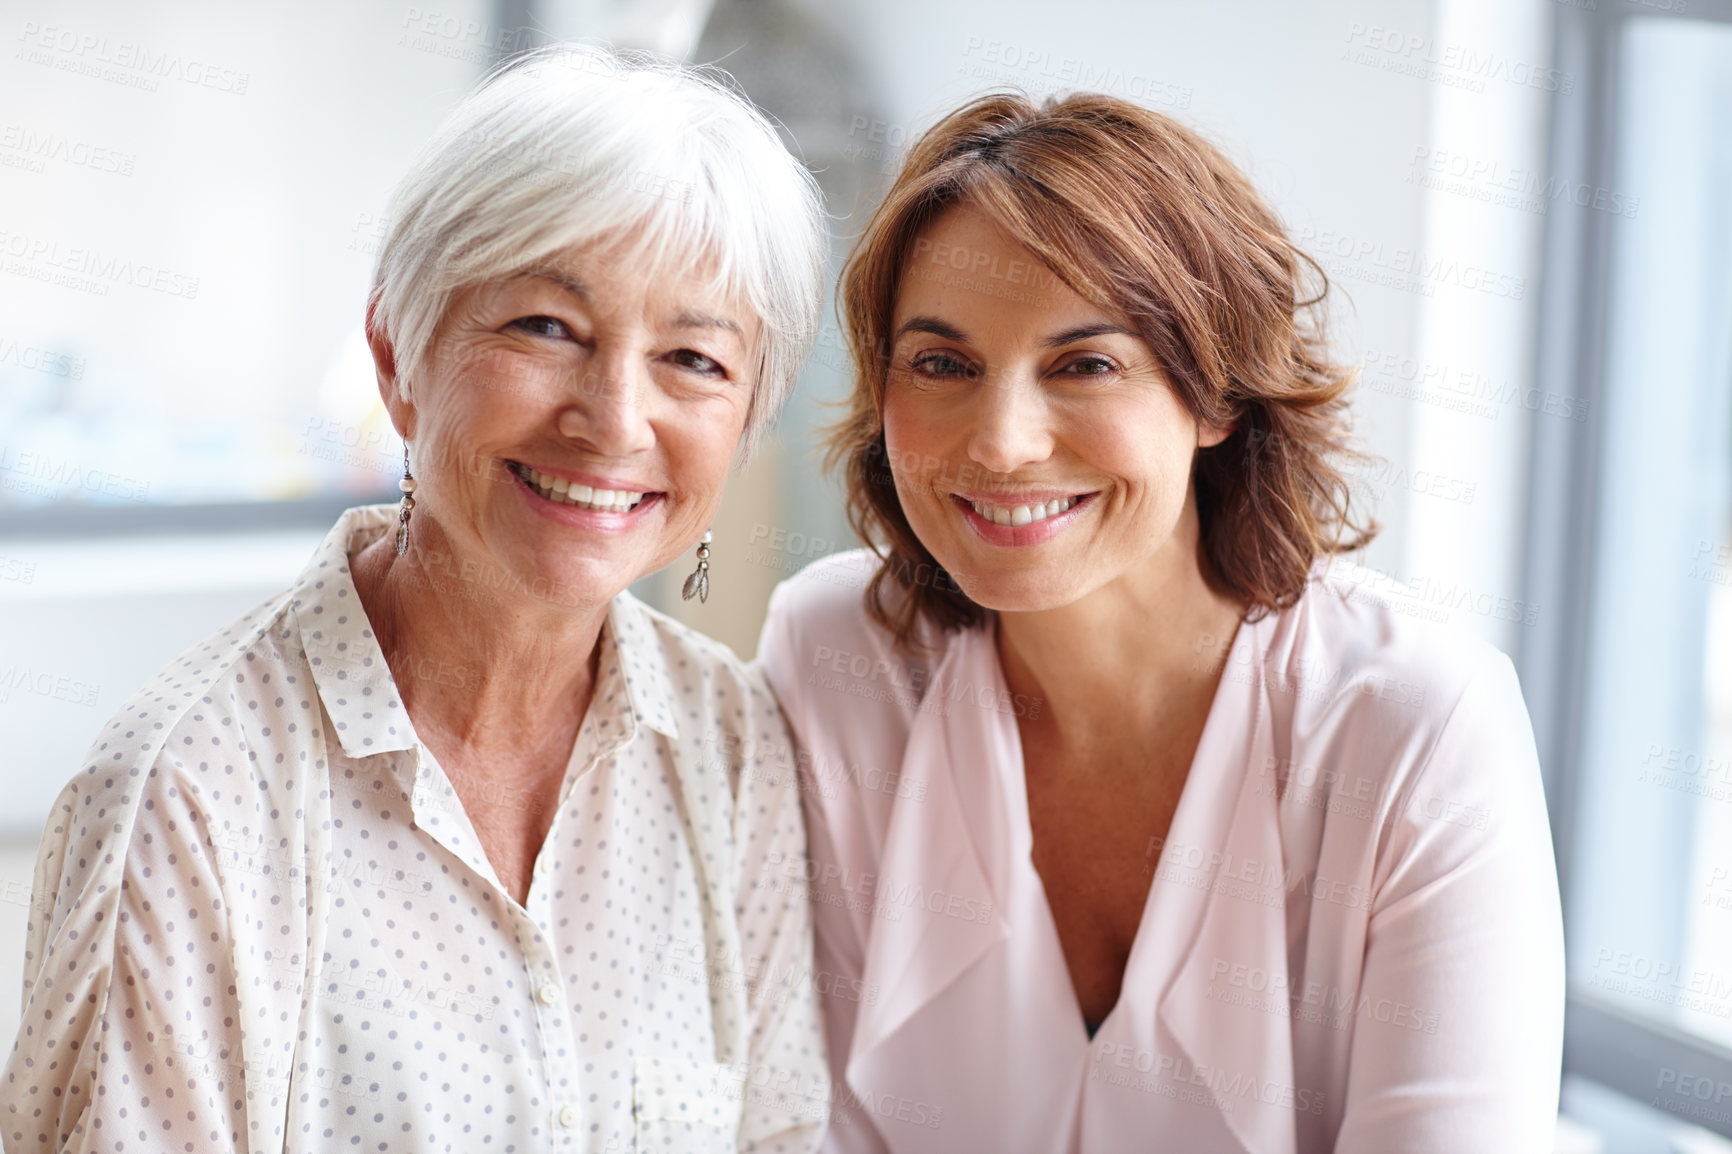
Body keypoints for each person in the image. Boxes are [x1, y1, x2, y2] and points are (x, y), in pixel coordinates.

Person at [2, 45, 830, 1154]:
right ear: (397, 354)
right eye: (547, 327)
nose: (616, 418)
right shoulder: (186, 797)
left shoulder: (735, 748)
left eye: (693, 358)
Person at [756, 92, 1564, 1153]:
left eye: (1084, 363)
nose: (1000, 443)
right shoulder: (836, 654)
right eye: (943, 364)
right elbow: (781, 1118)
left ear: (1216, 394)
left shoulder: (1416, 722)